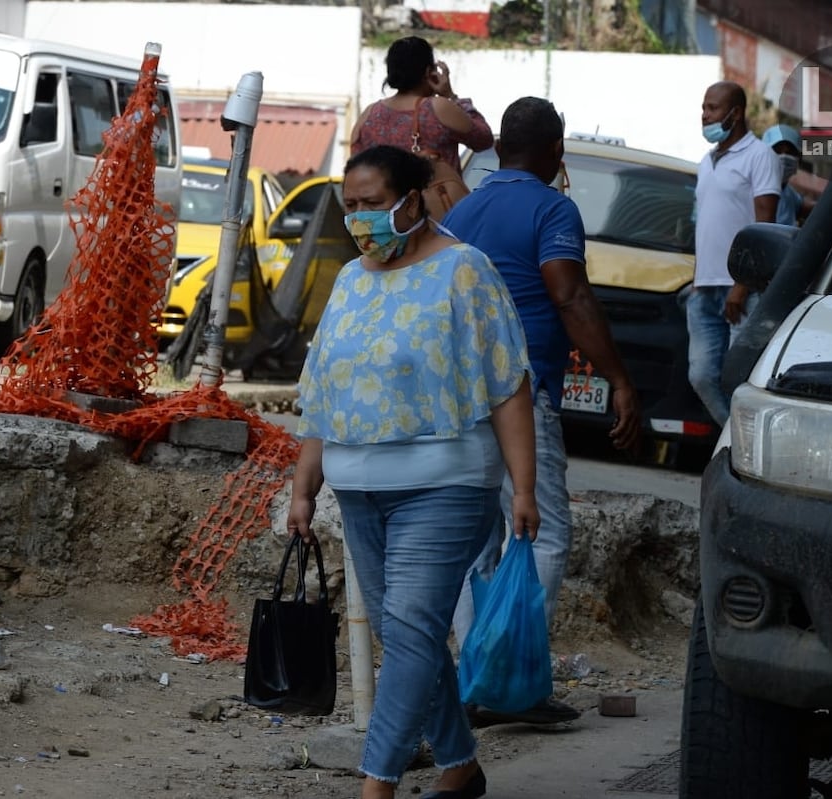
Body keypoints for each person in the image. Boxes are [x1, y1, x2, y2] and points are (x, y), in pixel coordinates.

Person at [287, 144, 539, 799]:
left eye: (374, 203)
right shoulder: (351, 280)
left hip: (446, 485)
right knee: (413, 635)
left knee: (409, 634)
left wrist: (525, 486)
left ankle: (376, 786)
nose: (361, 217)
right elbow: (324, 394)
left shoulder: (465, 270)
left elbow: (508, 382)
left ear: (413, 198)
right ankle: (459, 765)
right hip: (358, 490)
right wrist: (302, 488)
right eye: (353, 205)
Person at [443, 96, 641, 727]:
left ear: (498, 147)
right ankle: (509, 680)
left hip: (457, 394)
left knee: (478, 538)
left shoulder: (463, 211)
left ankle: (475, 678)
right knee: (543, 531)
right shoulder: (555, 208)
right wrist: (618, 378)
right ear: (556, 151)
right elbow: (568, 291)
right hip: (523, 396)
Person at [689, 81, 781, 427]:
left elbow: (767, 227)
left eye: (712, 108)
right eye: (703, 108)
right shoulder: (705, 161)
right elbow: (705, 224)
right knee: (701, 376)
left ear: (735, 113)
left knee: (736, 379)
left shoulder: (760, 156)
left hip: (741, 291)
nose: (704, 115)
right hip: (705, 289)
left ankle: (739, 449)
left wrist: (742, 284)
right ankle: (737, 441)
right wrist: (698, 280)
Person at [350, 35, 493, 171]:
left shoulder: (369, 114)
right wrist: (451, 96)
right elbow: (484, 139)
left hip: (384, 197)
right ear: (428, 72)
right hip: (433, 197)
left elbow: (355, 163)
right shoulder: (439, 108)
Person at [761, 124, 812, 226]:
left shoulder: (789, 194)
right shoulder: (751, 190)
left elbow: (809, 207)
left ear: (799, 159)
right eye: (776, 151)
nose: (783, 157)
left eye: (790, 152)